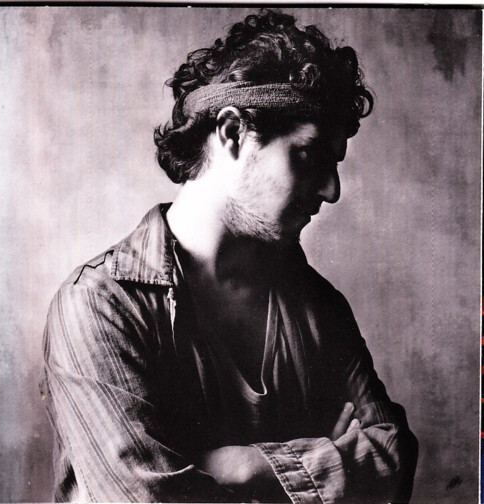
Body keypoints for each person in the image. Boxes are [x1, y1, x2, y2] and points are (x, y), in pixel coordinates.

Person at [40, 9, 418, 503]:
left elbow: (394, 455)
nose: (332, 190)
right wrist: (322, 465)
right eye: (310, 155)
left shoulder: (317, 305)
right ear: (233, 132)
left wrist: (243, 466)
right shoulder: (101, 306)